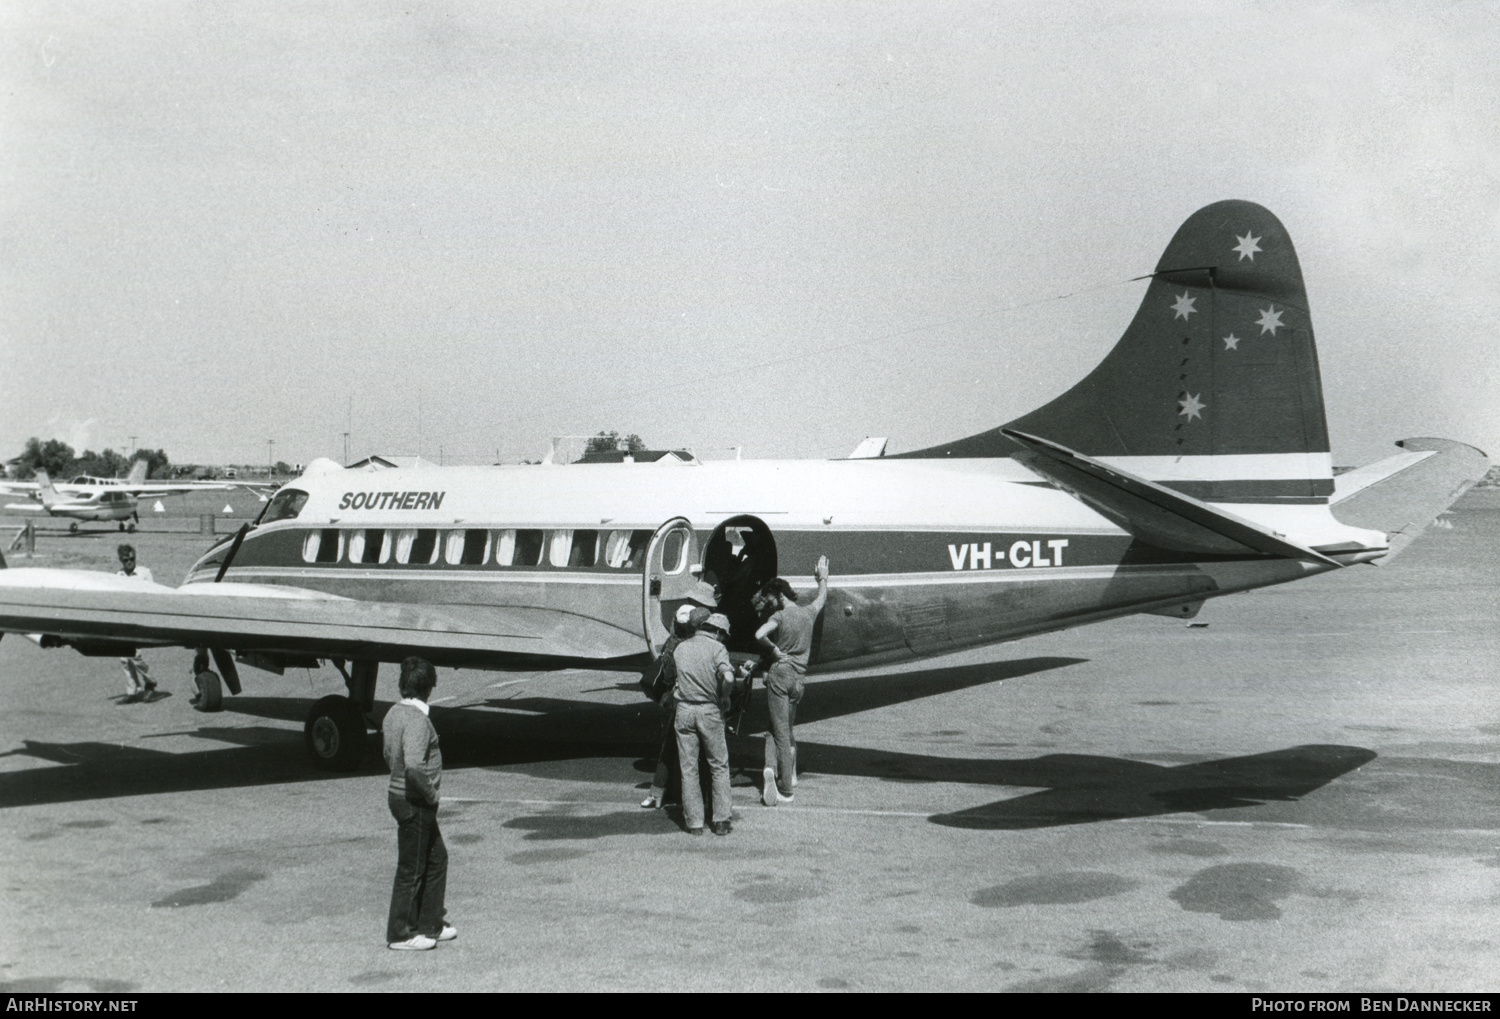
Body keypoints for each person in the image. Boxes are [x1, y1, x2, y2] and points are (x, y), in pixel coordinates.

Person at [382, 656, 456, 951]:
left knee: (437, 859)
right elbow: (414, 766)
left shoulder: (393, 714)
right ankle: (400, 934)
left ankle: (430, 924)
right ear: (429, 687)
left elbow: (389, 753)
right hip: (414, 802)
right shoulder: (418, 721)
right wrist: (430, 794)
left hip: (400, 797)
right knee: (412, 868)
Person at [754, 555, 830, 806]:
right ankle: (786, 775)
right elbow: (821, 599)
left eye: (770, 599)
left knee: (778, 732)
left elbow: (759, 634)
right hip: (799, 680)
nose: (769, 604)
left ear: (778, 596)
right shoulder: (808, 613)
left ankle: (783, 786)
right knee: (783, 726)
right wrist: (823, 579)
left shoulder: (780, 617)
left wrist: (774, 650)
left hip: (779, 674)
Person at [640, 599, 711, 809]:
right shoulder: (698, 646)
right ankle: (698, 798)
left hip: (673, 701)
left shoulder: (670, 645)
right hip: (696, 702)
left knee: (669, 747)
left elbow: (669, 676)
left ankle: (657, 792)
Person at [671, 612, 737, 836]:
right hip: (708, 710)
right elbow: (728, 678)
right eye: (723, 636)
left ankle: (694, 823)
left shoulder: (681, 648)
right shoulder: (717, 648)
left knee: (688, 768)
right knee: (718, 765)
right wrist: (725, 696)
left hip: (684, 710)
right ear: (717, 632)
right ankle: (720, 821)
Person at [115, 544, 157, 702]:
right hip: (125, 619)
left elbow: (153, 594)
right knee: (124, 658)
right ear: (121, 560)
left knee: (135, 655)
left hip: (140, 618)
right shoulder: (117, 576)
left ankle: (150, 682)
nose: (130, 562)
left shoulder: (144, 573)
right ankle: (132, 691)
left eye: (132, 559)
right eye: (126, 560)